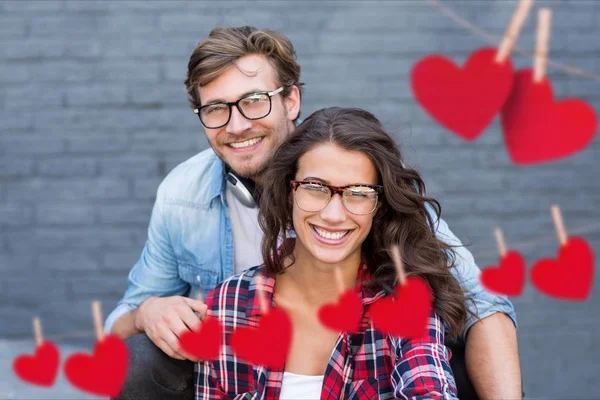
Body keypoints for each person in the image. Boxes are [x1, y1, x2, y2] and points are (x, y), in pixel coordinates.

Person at [105, 26, 521, 399]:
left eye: (253, 101)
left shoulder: (352, 171)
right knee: (138, 359)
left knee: (461, 356)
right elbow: (121, 323)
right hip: (246, 372)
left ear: (291, 100)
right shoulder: (184, 197)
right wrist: (147, 312)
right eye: (216, 109)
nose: (235, 126)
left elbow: (485, 307)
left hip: (363, 365)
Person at [195, 106, 467, 399]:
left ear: (380, 206)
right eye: (315, 188)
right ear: (290, 192)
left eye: (359, 193)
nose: (334, 215)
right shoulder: (228, 305)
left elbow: (428, 388)